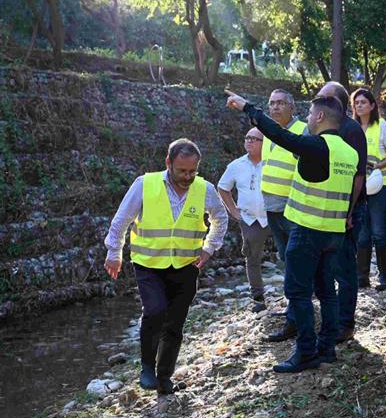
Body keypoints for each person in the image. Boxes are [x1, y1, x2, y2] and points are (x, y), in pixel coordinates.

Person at [225, 90, 363, 372]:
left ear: (321, 116)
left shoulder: (316, 145)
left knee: (298, 292)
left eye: (311, 114)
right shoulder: (348, 153)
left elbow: (279, 135)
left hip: (307, 230)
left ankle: (306, 352)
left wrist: (247, 107)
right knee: (326, 291)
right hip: (333, 232)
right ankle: (326, 349)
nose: (308, 118)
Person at [104, 138, 228, 394]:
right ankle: (147, 367)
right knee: (155, 310)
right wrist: (114, 252)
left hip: (185, 266)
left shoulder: (204, 189)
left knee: (174, 325)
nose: (187, 176)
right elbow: (121, 220)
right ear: (168, 163)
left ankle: (164, 379)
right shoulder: (145, 184)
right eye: (182, 171)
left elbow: (221, 217)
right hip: (148, 264)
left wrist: (209, 247)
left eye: (192, 171)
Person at [316, 82, 368, 343]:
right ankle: (332, 320)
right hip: (326, 211)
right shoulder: (323, 130)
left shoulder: (352, 130)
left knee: (345, 269)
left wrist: (348, 211)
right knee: (328, 268)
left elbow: (358, 176)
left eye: (324, 97)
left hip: (348, 211)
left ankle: (346, 324)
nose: (319, 102)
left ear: (336, 102)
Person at [260, 89, 308, 343]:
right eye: (272, 103)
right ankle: (295, 306)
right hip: (272, 204)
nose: (275, 107)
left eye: (280, 103)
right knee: (285, 258)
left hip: (292, 205)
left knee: (295, 258)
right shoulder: (269, 132)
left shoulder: (301, 130)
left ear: (291, 106)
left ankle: (296, 315)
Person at [351, 87, 386, 291]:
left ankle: (383, 277)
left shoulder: (382, 126)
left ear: (372, 105)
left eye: (363, 102)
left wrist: (377, 166)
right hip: (359, 189)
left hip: (381, 188)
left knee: (379, 233)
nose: (359, 105)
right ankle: (362, 277)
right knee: (362, 235)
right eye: (356, 102)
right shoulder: (350, 128)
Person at [218, 127, 269, 312]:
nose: (249, 141)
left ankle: (295, 294)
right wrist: (233, 210)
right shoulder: (236, 165)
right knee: (252, 258)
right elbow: (223, 188)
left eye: (254, 139)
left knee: (290, 253)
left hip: (274, 216)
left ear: (265, 143)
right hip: (249, 219)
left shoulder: (273, 162)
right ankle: (258, 299)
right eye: (247, 137)